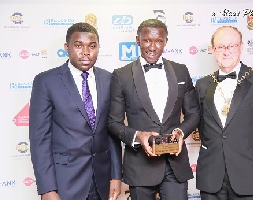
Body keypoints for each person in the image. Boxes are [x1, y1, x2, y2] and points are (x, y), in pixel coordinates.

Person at [107, 19, 199, 200]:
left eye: (159, 41)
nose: (153, 47)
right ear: (138, 40)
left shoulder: (181, 71)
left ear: (166, 42)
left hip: (175, 165)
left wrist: (180, 132)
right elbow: (113, 123)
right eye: (147, 40)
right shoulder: (122, 75)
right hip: (140, 167)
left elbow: (194, 113)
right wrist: (138, 136)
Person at [29, 22, 122, 200]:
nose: (86, 52)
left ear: (98, 48)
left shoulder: (109, 79)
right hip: (65, 183)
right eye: (78, 45)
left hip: (101, 181)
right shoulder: (46, 81)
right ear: (67, 47)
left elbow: (112, 131)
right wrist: (47, 189)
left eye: (92, 46)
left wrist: (116, 175)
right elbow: (39, 139)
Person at [195, 26, 253, 200]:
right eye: (220, 47)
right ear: (212, 50)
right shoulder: (202, 84)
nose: (226, 51)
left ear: (241, 47)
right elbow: (204, 130)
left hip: (249, 174)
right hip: (212, 176)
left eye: (231, 46)